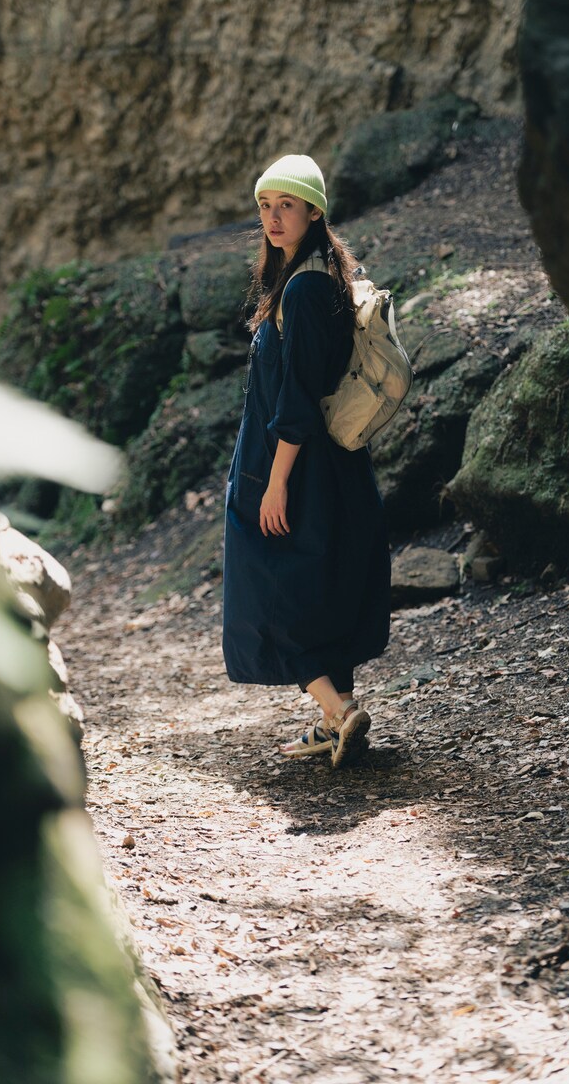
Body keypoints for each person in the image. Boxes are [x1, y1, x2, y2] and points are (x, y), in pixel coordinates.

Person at [222, 153, 390, 767]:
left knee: (271, 591)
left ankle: (341, 713)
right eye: (265, 206)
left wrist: (275, 484)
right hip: (321, 465)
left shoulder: (305, 288)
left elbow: (296, 399)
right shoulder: (314, 276)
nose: (272, 217)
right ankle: (332, 719)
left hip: (298, 467)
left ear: (314, 212)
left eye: (286, 205)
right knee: (315, 588)